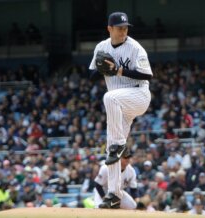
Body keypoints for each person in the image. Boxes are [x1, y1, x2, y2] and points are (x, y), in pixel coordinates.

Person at [89, 11, 152, 209]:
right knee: (111, 151)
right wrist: (102, 68)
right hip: (119, 106)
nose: (124, 31)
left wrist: (118, 70)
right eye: (120, 28)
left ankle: (117, 146)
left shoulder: (134, 47)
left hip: (138, 96)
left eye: (126, 28)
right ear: (110, 28)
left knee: (109, 97)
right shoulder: (102, 47)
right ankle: (114, 194)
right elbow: (91, 74)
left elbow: (147, 75)